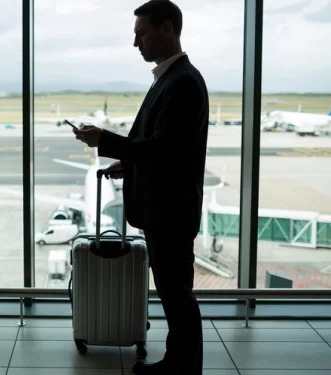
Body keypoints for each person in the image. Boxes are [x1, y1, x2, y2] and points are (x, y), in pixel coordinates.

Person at [72, 1, 208, 374]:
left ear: (167, 29)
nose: (136, 44)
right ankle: (178, 364)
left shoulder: (181, 82)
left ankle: (183, 369)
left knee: (177, 296)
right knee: (173, 295)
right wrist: (128, 164)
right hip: (166, 209)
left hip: (170, 211)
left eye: (141, 34)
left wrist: (105, 140)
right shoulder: (170, 77)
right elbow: (165, 144)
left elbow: (165, 149)